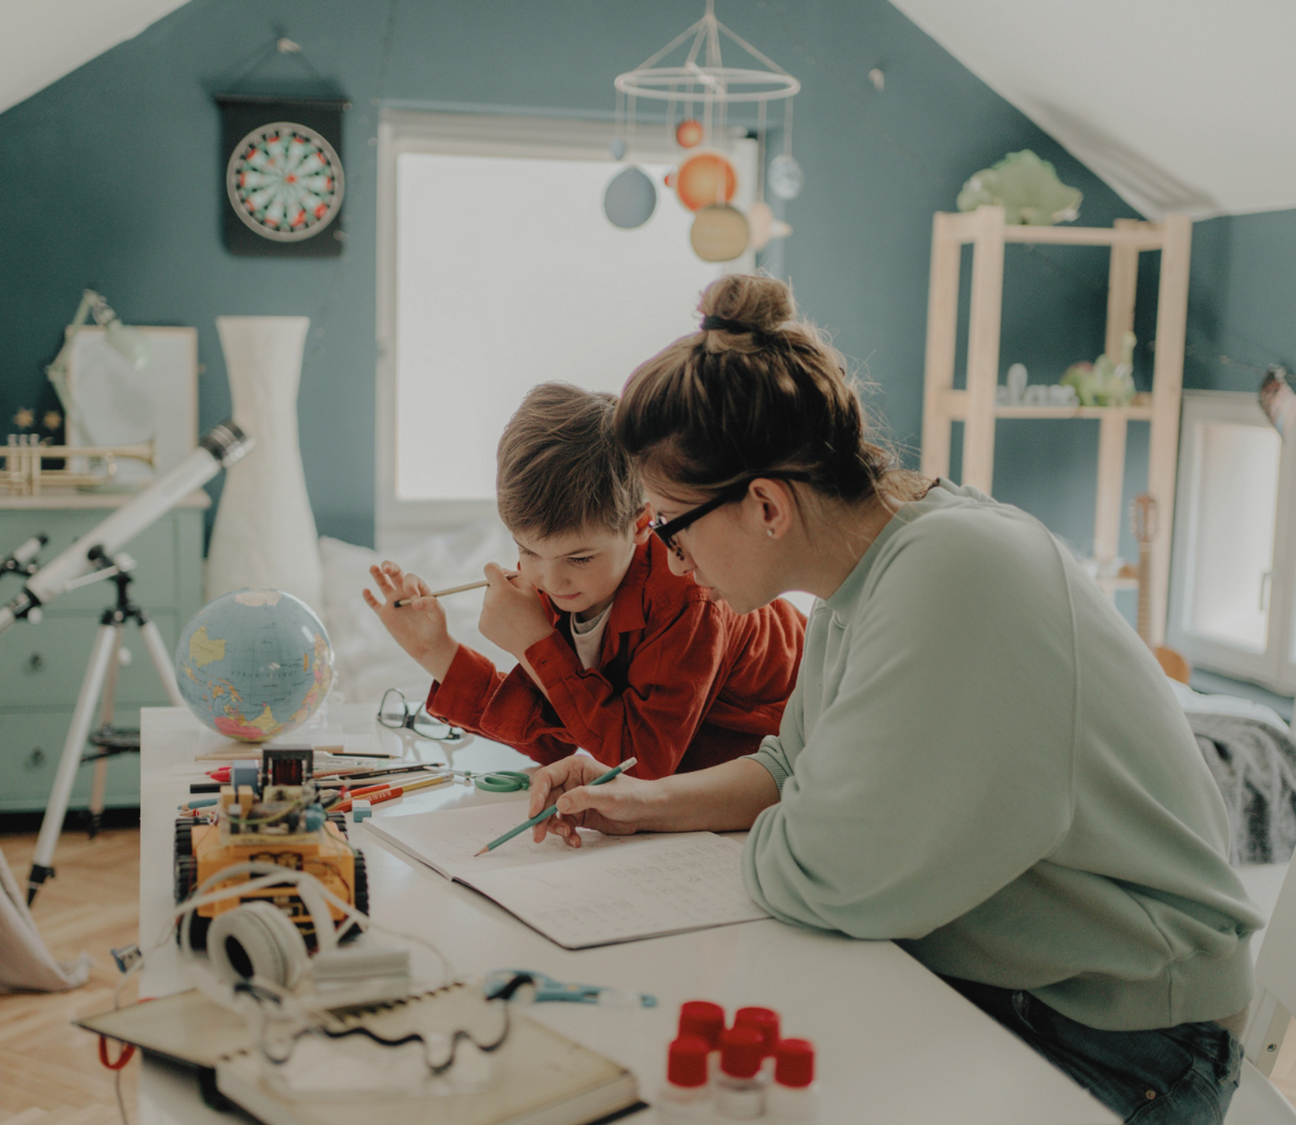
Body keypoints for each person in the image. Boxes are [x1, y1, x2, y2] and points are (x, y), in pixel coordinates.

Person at [526, 275, 1260, 1123]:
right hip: (1018, 996)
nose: (672, 559)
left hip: (1123, 1039)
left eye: (669, 525)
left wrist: (797, 822)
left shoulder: (952, 573)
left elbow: (832, 875)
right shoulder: (861, 580)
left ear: (764, 504)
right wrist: (640, 802)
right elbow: (788, 767)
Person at [362, 382, 805, 779]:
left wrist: (534, 644)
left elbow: (642, 762)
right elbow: (556, 736)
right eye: (527, 550)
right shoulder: (567, 584)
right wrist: (436, 650)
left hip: (804, 748)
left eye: (579, 556)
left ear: (640, 525)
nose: (550, 579)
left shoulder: (687, 596)